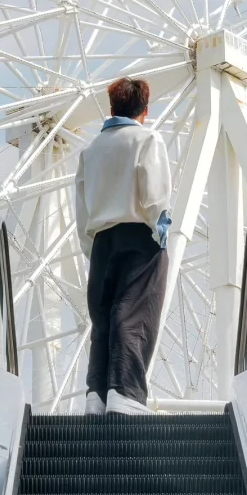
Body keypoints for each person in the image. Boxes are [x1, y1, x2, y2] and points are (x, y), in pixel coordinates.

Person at [74, 75, 172, 415]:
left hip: (102, 241)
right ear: (144, 110)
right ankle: (126, 392)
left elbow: (81, 207)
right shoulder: (146, 140)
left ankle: (96, 394)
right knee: (133, 314)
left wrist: (92, 247)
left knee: (104, 318)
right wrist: (161, 234)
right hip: (138, 237)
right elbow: (155, 194)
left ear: (112, 107)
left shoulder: (90, 151)